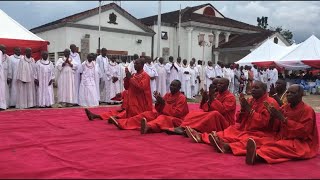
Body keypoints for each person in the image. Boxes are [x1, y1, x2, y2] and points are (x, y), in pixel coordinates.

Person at [246, 84, 319, 165]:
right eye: (287, 92)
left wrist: (283, 119)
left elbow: (304, 131)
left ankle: (257, 156)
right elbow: (276, 124)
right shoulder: (285, 107)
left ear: (301, 95)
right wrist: (273, 116)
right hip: (282, 136)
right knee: (264, 141)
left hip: (300, 141)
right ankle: (255, 152)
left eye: (292, 93)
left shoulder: (307, 110)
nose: (288, 94)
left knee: (280, 147)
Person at [205, 81, 280, 154]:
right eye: (252, 88)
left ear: (264, 91)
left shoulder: (270, 102)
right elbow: (239, 120)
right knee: (231, 130)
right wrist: (243, 110)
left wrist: (249, 110)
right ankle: (212, 138)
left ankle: (227, 146)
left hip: (263, 132)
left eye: (256, 88)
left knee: (250, 139)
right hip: (246, 128)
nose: (253, 90)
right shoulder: (251, 100)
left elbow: (263, 123)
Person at [109, 80, 189, 134]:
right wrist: (158, 102)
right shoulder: (167, 95)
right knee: (146, 114)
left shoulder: (182, 98)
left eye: (174, 86)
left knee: (162, 118)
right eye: (171, 85)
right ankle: (122, 123)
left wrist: (163, 103)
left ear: (179, 88)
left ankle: (147, 127)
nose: (172, 87)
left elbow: (177, 113)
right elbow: (158, 109)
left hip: (176, 120)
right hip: (163, 114)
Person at [0, 45, 7, 110]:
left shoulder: (5, 56)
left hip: (2, 75)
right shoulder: (0, 53)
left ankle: (1, 105)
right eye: (3, 49)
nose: (4, 50)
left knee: (2, 90)